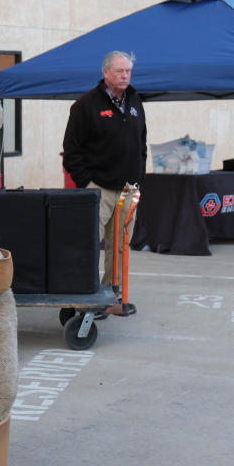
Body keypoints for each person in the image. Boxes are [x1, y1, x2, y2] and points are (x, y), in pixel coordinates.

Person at [63, 51, 147, 315]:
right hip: (98, 188)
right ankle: (82, 298)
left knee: (120, 246)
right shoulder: (85, 105)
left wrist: (139, 175)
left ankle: (112, 298)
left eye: (128, 72)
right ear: (106, 72)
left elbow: (141, 142)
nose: (125, 76)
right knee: (88, 245)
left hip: (128, 188)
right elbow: (72, 150)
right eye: (120, 71)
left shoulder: (135, 100)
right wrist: (86, 182)